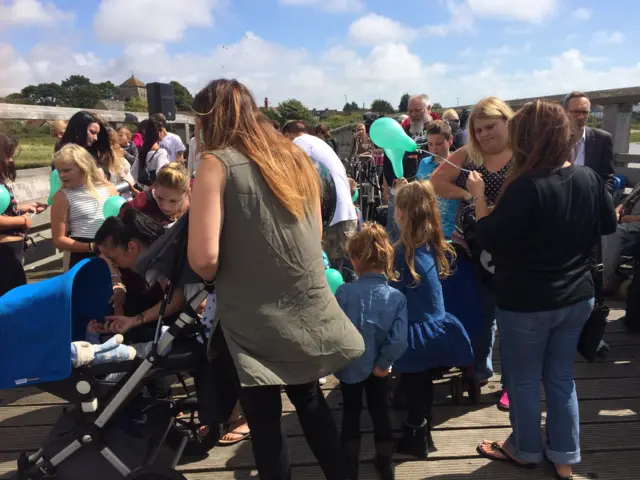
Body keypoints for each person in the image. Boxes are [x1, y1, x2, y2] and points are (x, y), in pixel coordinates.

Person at [188, 78, 364, 480]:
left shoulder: (215, 162)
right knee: (309, 400)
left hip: (251, 315)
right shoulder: (295, 158)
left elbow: (204, 259)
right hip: (302, 304)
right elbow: (315, 232)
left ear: (206, 119)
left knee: (264, 423)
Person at [471, 100, 617, 480]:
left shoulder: (525, 186)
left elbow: (489, 239)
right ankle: (565, 457)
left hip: (526, 303)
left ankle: (525, 448)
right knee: (560, 378)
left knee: (522, 378)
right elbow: (606, 225)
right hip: (576, 298)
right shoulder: (588, 177)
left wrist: (478, 198)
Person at [430, 97, 515, 411]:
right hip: (471, 245)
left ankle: (511, 383)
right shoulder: (469, 153)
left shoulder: (523, 154)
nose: (484, 135)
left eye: (490, 126)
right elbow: (436, 181)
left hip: (510, 247)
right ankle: (480, 368)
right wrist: (468, 193)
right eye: (478, 130)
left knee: (510, 316)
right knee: (480, 311)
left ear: (507, 121)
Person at [390, 180, 473, 459]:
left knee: (413, 384)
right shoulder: (431, 244)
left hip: (415, 332)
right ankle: (423, 428)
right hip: (436, 327)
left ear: (401, 214)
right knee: (423, 382)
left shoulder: (403, 252)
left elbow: (395, 295)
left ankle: (416, 434)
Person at [335, 223, 408, 480]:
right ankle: (386, 464)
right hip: (379, 368)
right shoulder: (396, 298)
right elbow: (399, 339)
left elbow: (335, 332)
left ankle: (350, 466)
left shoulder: (343, 292)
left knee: (350, 415)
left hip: (350, 366)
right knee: (380, 413)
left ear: (354, 261)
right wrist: (383, 361)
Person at [282, 120, 358, 273]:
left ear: (287, 135)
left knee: (327, 273)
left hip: (331, 220)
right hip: (346, 215)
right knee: (347, 271)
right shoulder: (319, 143)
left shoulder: (298, 144)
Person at [50, 144, 118, 268]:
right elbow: (58, 239)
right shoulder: (62, 197)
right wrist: (92, 247)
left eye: (66, 170)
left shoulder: (109, 189)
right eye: (59, 171)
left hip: (113, 252)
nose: (61, 175)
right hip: (84, 255)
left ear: (84, 167)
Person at [0, 134, 47, 296]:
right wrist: (21, 220)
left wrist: (22, 208)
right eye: (8, 156)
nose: (11, 160)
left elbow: (3, 208)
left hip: (11, 249)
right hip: (4, 252)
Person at [563, 91, 615, 192]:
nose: (581, 117)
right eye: (576, 112)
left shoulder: (602, 138)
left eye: (585, 112)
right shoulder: (553, 138)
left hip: (589, 199)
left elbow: (608, 178)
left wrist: (599, 201)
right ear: (565, 112)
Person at [415, 120, 458, 239]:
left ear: (450, 140)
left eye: (439, 143)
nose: (434, 148)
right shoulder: (423, 163)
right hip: (428, 231)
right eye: (430, 144)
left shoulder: (459, 164)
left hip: (452, 232)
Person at [120, 162, 190, 227]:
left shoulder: (194, 206)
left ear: (187, 193)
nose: (166, 207)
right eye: (160, 198)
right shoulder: (135, 207)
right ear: (154, 186)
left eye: (173, 201)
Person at [132, 117, 170, 189]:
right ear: (158, 132)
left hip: (144, 191)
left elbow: (133, 172)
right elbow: (160, 173)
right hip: (156, 193)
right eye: (162, 130)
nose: (165, 133)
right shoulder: (161, 152)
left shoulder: (142, 152)